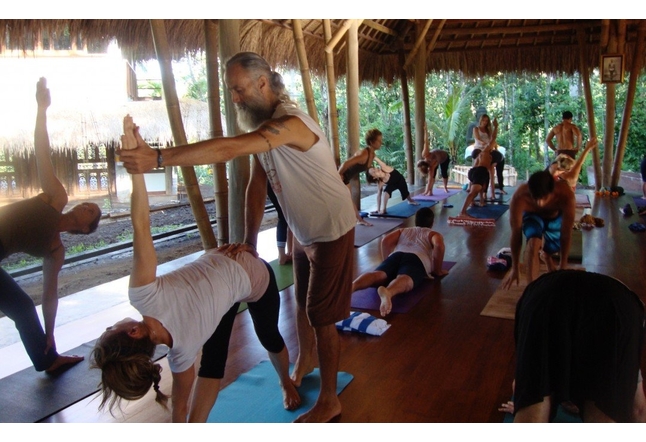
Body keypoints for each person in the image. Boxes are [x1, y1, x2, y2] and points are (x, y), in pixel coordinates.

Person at [119, 52, 356, 423]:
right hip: (303, 229)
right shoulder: (268, 130)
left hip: (332, 228)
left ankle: (329, 399)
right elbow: (256, 185)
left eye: (239, 89)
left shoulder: (291, 124)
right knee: (302, 305)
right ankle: (306, 357)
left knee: (321, 315)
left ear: (263, 83)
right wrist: (247, 242)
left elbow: (230, 148)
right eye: (231, 91)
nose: (235, 98)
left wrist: (158, 159)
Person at [91, 120, 300, 422]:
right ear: (133, 332)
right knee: (214, 363)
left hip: (249, 274)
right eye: (111, 329)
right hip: (234, 282)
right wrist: (136, 173)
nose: (111, 325)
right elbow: (141, 226)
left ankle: (284, 381)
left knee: (267, 335)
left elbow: (179, 405)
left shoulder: (179, 350)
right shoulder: (158, 316)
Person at [0, 78, 101, 373]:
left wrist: (51, 332)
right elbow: (41, 151)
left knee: (22, 308)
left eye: (90, 211)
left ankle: (48, 357)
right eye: (87, 204)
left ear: (85, 229)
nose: (85, 206)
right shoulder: (55, 197)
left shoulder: (55, 250)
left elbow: (49, 295)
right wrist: (41, 109)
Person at [510, 270, 645, 423]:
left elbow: (525, 387)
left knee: (533, 407)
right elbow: (638, 410)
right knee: (605, 411)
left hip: (545, 294)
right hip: (613, 303)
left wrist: (523, 406)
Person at [351, 207, 447, 317]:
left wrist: (386, 262)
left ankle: (353, 286)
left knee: (379, 274)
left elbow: (385, 241)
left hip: (396, 255)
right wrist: (437, 270)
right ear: (432, 223)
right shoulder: (433, 234)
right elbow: (439, 246)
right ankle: (389, 292)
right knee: (405, 278)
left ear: (416, 220)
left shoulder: (404, 230)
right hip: (416, 258)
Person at [501, 170, 576, 289]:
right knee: (533, 243)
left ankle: (546, 255)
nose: (540, 203)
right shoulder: (520, 196)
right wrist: (515, 267)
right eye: (535, 198)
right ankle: (531, 289)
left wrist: (563, 266)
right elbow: (516, 234)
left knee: (552, 248)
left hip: (555, 218)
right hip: (532, 217)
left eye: (544, 198)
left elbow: (566, 233)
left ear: (553, 191)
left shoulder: (566, 194)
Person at [338, 128, 385, 226]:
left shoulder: (372, 154)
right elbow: (345, 164)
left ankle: (359, 220)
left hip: (346, 178)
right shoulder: (365, 154)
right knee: (345, 200)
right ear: (372, 142)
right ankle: (356, 220)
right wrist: (337, 176)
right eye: (379, 141)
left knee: (348, 200)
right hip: (341, 176)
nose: (381, 143)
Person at [456, 116, 498, 219]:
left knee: (481, 186)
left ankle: (482, 202)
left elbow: (492, 139)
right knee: (473, 192)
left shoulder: (482, 154)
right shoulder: (485, 150)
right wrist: (496, 127)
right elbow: (493, 138)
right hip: (479, 171)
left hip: (475, 171)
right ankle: (462, 212)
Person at [417, 125, 450, 196]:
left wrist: (425, 130)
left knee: (444, 173)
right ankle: (430, 192)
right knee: (433, 176)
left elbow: (426, 141)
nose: (418, 160)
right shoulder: (431, 166)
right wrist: (426, 191)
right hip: (437, 158)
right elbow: (430, 179)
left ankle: (445, 187)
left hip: (444, 157)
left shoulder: (425, 154)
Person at [267, 183, 293, 264]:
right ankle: (286, 254)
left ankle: (287, 253)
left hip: (271, 182)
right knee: (287, 216)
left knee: (285, 216)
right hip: (281, 182)